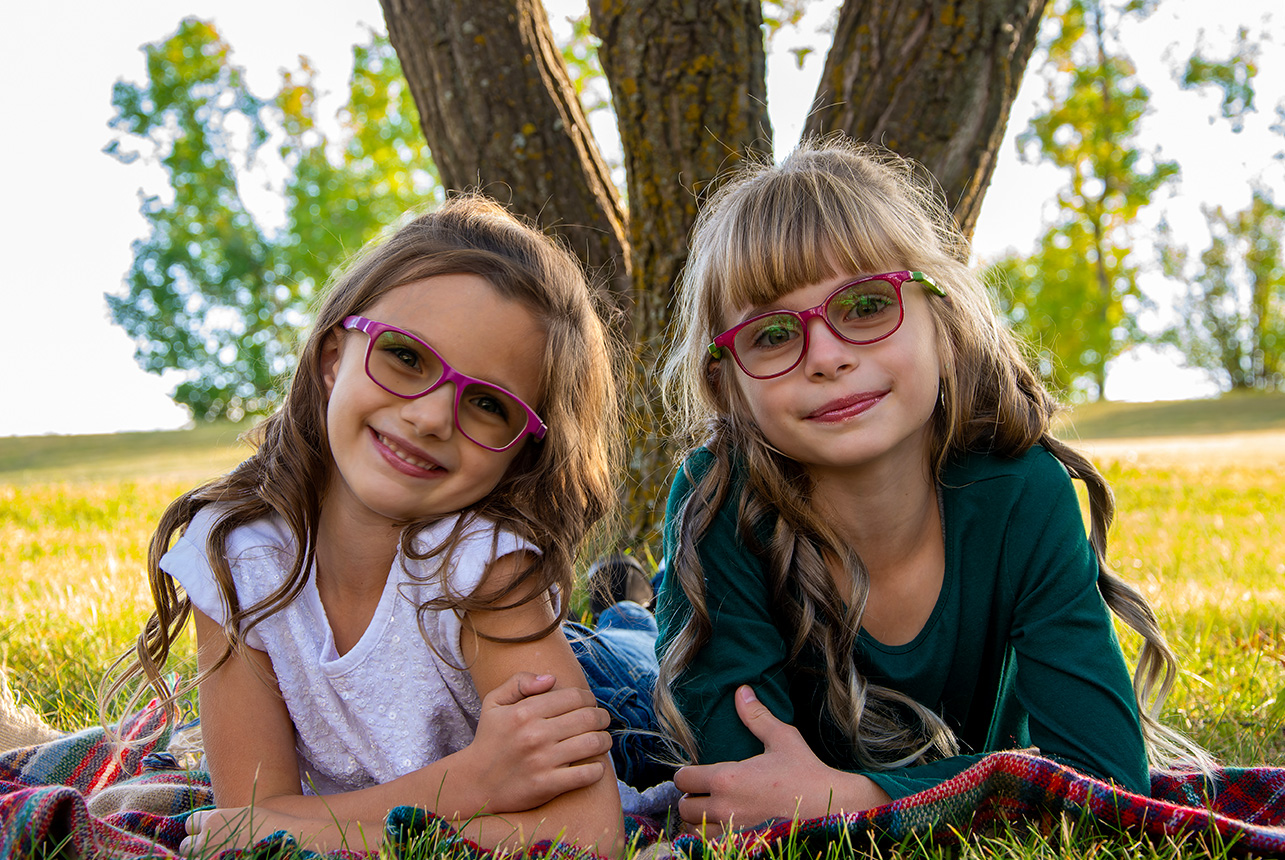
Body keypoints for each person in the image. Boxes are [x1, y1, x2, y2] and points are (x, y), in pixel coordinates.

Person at [653, 139, 1208, 835]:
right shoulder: (716, 502)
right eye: (770, 335)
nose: (826, 357)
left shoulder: (1020, 493)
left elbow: (1103, 781)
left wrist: (855, 798)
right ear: (726, 386)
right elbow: (737, 786)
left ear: (941, 322)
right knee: (616, 676)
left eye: (863, 306)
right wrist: (983, 785)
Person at [102, 195, 626, 856]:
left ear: (522, 448)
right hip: (499, 739)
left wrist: (301, 824)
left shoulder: (485, 570)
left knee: (630, 662)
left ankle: (625, 613)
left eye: (488, 403)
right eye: (406, 357)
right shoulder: (237, 562)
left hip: (619, 707)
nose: (432, 418)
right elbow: (251, 826)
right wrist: (467, 782)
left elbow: (589, 837)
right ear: (331, 358)